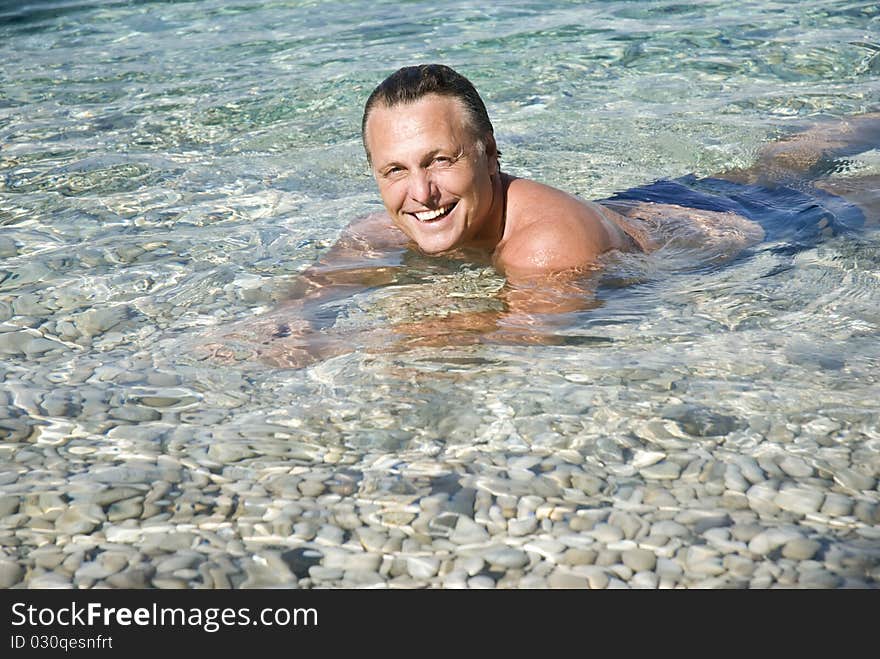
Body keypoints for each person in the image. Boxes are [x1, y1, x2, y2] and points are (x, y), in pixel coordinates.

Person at [206, 64, 879, 367]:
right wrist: (271, 319)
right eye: (396, 171)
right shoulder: (384, 226)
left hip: (769, 226)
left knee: (815, 191)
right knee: (780, 158)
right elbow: (319, 284)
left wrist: (337, 347)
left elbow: (521, 333)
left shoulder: (547, 244)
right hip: (663, 198)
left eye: (439, 161)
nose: (422, 193)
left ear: (489, 153)